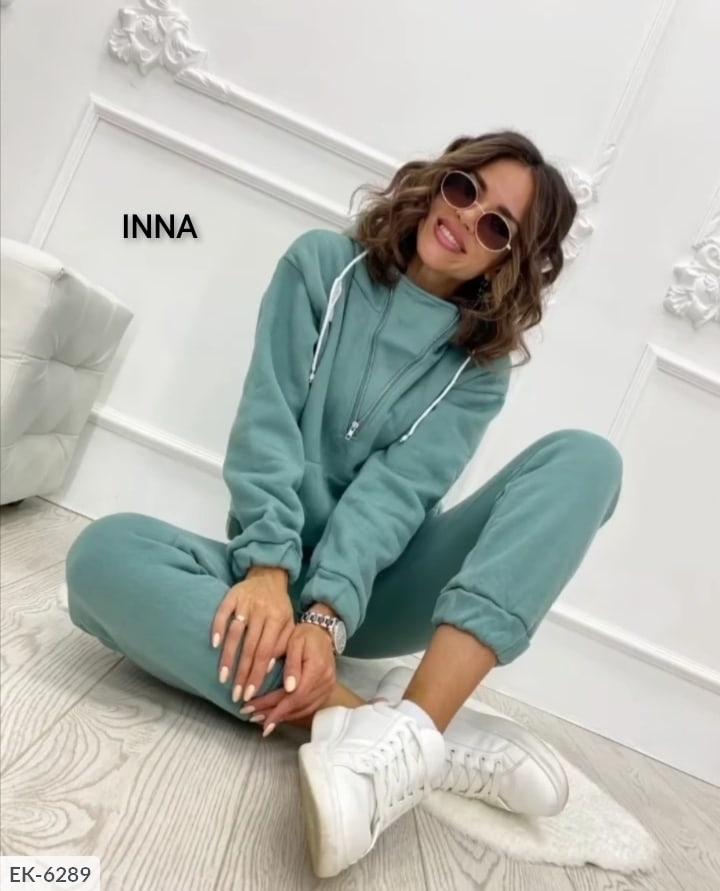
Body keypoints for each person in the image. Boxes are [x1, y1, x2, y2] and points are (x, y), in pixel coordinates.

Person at [66, 131, 623, 878]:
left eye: (497, 226)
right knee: (102, 554)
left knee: (588, 460)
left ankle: (407, 729)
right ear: (440, 180)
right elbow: (267, 421)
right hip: (265, 569)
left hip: (380, 591)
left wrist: (327, 616)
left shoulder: (478, 372)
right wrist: (268, 569)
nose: (466, 218)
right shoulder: (320, 267)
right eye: (465, 189)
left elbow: (396, 495)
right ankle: (391, 730)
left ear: (505, 262)